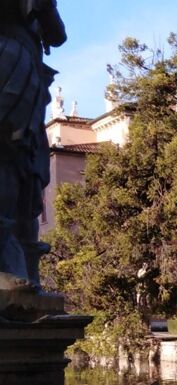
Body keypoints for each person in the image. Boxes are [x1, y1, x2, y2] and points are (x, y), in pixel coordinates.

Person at [0, 0, 66, 291]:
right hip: (8, 66)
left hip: (28, 78)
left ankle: (26, 272)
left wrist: (44, 6)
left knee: (27, 176)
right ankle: (7, 268)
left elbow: (57, 35)